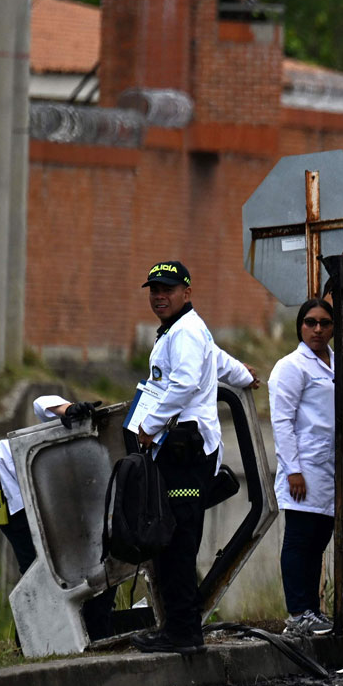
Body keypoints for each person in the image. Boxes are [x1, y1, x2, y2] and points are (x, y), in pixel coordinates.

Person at [131, 260, 258, 655]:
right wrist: (245, 376)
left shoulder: (184, 331)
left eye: (167, 289)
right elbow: (217, 361)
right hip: (182, 449)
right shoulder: (185, 330)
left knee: (178, 544)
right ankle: (179, 628)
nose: (159, 296)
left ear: (187, 292)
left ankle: (183, 633)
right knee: (173, 541)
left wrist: (149, 425)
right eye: (154, 290)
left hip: (185, 451)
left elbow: (185, 381)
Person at [269, 298, 343, 637]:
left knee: (318, 542)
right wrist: (293, 471)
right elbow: (282, 422)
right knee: (299, 539)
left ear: (334, 328)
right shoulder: (291, 367)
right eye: (311, 322)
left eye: (325, 323)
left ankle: (312, 612)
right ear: (300, 326)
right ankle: (297, 613)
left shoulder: (339, 363)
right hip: (304, 467)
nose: (318, 329)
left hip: (331, 469)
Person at [0, 394, 117, 641]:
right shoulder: (97, 431)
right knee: (38, 570)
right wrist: (68, 409)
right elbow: (41, 403)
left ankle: (82, 635)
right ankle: (31, 643)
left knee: (82, 565)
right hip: (11, 483)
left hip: (50, 495)